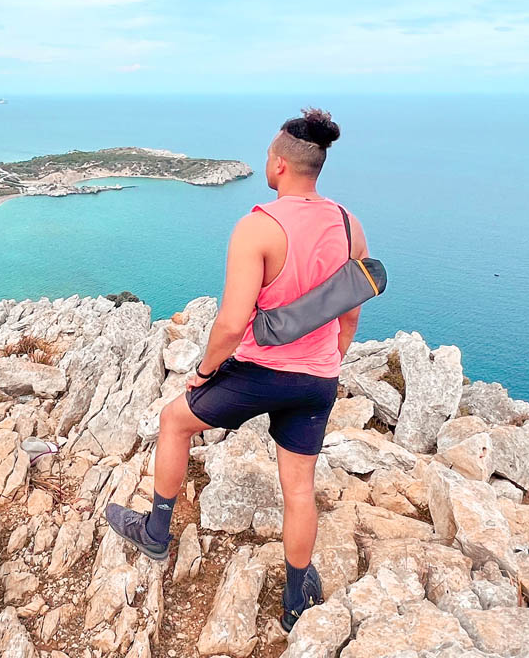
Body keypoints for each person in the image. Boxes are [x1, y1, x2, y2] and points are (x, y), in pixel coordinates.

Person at [104, 107, 369, 632]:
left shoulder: (258, 228)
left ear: (278, 165)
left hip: (256, 372)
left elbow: (229, 324)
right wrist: (330, 361)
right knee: (299, 488)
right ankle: (297, 600)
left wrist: (203, 373)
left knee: (174, 422)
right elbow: (352, 309)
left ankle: (156, 532)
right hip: (316, 379)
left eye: (268, 155)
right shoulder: (347, 224)